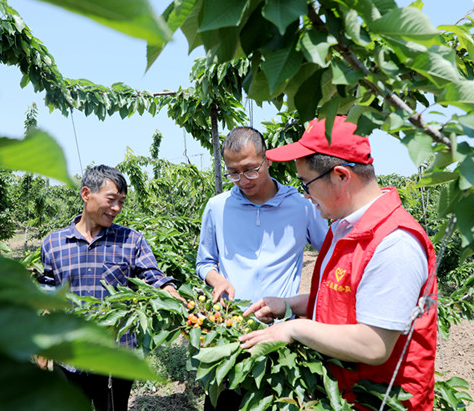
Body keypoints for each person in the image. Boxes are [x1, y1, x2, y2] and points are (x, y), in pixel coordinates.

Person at [239, 116, 437, 410]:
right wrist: (289, 304)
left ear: (341, 176)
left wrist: (293, 330)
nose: (305, 194)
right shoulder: (341, 228)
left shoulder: (394, 243)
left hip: (378, 402)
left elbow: (373, 344)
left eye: (306, 183)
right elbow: (343, 299)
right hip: (344, 396)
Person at [196, 126, 328, 410]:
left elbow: (331, 253)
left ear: (267, 160)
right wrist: (217, 279)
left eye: (250, 169)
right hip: (230, 334)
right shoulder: (218, 207)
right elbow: (205, 261)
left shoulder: (300, 206)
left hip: (279, 339)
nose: (242, 180)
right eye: (233, 172)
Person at [38, 165, 181, 411]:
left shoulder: (131, 240)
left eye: (121, 202)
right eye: (111, 200)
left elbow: (152, 276)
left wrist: (172, 294)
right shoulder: (54, 243)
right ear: (86, 194)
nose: (116, 209)